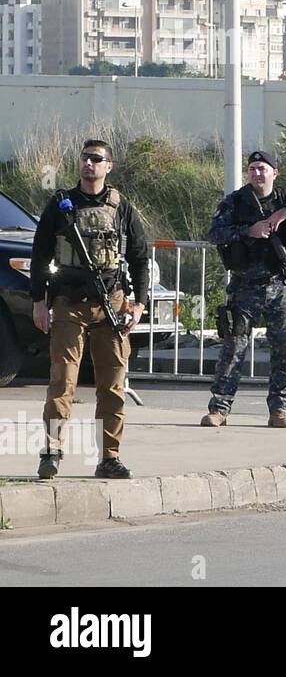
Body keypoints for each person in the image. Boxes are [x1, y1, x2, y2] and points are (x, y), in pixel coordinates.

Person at [30, 140, 150, 480]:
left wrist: (138, 303)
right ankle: (52, 452)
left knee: (112, 385)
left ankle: (109, 457)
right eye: (85, 158)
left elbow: (140, 256)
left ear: (108, 166)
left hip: (110, 303)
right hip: (68, 302)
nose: (89, 164)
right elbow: (40, 254)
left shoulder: (121, 206)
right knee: (62, 381)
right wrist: (39, 301)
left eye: (96, 159)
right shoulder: (60, 205)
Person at [201, 151, 286, 428]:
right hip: (244, 286)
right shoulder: (235, 202)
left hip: (282, 285)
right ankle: (219, 409)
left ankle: (279, 409)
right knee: (233, 349)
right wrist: (249, 230)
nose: (257, 173)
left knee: (284, 350)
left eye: (263, 169)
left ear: (274, 173)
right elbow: (214, 233)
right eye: (253, 169)